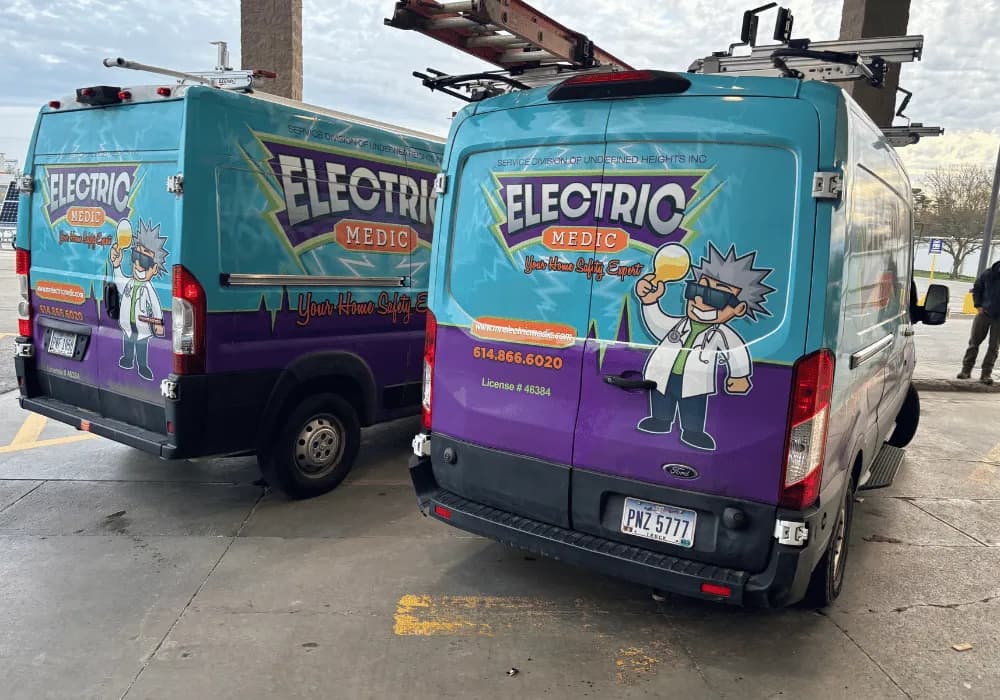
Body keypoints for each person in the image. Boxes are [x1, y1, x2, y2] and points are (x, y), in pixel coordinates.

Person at [958, 260, 1000, 385]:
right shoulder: (988, 274)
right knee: (974, 343)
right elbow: (977, 289)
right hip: (984, 313)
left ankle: (986, 374)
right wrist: (978, 306)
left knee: (994, 346)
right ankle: (966, 370)